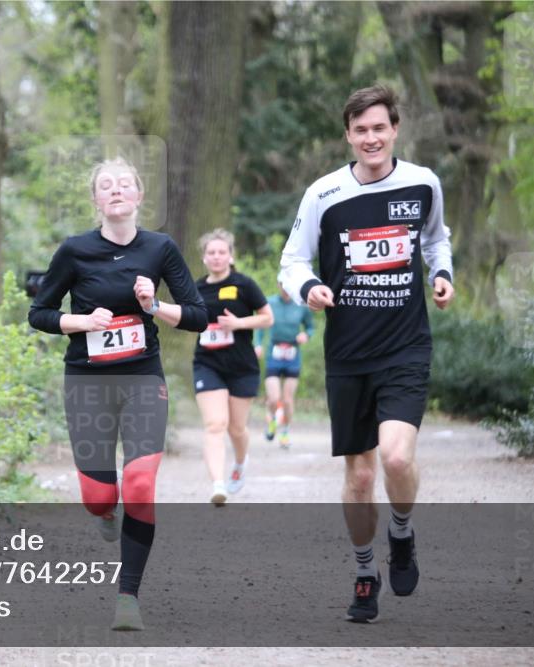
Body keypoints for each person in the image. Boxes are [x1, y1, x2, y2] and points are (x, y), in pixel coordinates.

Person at [278, 85, 454, 623]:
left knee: (397, 458)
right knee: (358, 477)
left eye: (380, 127)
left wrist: (441, 273)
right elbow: (291, 261)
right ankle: (363, 571)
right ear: (348, 136)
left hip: (404, 346)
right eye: (361, 130)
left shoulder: (423, 183)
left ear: (395, 128)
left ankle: (401, 534)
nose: (371, 138)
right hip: (348, 352)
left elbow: (436, 239)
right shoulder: (323, 195)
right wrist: (308, 287)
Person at [28, 157, 207, 631]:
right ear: (96, 200)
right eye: (105, 186)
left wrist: (155, 306)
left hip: (142, 380)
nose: (115, 191)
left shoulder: (160, 248)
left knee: (141, 485)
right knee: (97, 496)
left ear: (139, 196)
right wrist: (81, 322)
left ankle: (128, 594)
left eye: (124, 184)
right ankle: (103, 511)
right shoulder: (74, 251)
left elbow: (197, 315)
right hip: (87, 382)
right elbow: (39, 313)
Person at [192, 229, 273, 506]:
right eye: (211, 253)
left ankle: (240, 461)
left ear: (231, 256)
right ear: (204, 258)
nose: (216, 257)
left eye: (221, 252)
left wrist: (238, 324)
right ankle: (218, 484)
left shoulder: (244, 284)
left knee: (236, 429)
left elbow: (267, 319)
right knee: (215, 424)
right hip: (207, 363)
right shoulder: (196, 288)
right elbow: (186, 317)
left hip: (241, 364)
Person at [254, 279, 315, 449]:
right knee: (274, 398)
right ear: (278, 285)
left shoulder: (301, 305)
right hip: (274, 354)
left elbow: (310, 327)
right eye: (282, 285)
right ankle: (273, 420)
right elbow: (260, 326)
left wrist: (306, 335)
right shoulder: (270, 302)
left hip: (293, 356)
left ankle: (285, 431)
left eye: (289, 285)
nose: (285, 289)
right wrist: (257, 344)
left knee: (288, 400)